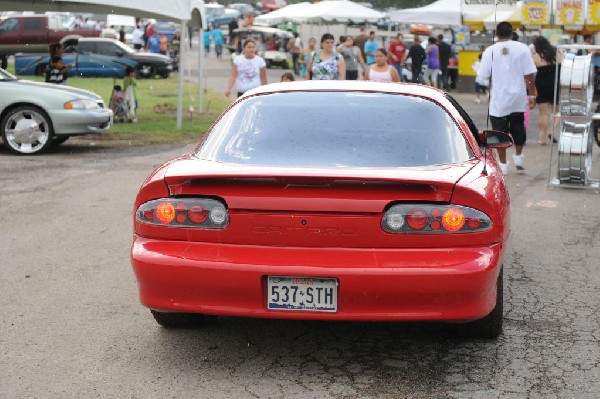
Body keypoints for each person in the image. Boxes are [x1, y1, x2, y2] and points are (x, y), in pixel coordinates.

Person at [477, 22, 537, 175]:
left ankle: (503, 165)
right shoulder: (522, 48)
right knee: (518, 128)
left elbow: (482, 77)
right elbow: (529, 75)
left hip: (498, 100)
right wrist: (532, 94)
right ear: (512, 33)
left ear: (496, 34)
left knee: (499, 133)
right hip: (518, 98)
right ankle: (518, 157)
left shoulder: (490, 51)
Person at [531, 35, 562, 144]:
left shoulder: (536, 56)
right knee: (557, 112)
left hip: (541, 84)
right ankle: (552, 130)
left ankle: (542, 139)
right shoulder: (558, 53)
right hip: (556, 83)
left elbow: (530, 71)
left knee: (543, 113)